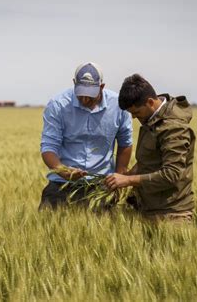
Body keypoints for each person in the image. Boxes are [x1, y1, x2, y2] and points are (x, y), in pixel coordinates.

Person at [39, 62, 133, 209]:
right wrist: (63, 171)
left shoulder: (118, 106)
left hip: (102, 185)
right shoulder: (58, 105)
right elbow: (48, 147)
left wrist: (119, 177)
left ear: (102, 87)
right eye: (81, 93)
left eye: (90, 95)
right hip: (61, 184)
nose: (84, 99)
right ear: (74, 83)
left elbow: (125, 143)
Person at [104, 74, 195, 222]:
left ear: (150, 102)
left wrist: (128, 181)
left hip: (171, 214)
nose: (133, 117)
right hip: (148, 207)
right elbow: (151, 159)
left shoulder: (173, 128)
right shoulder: (152, 119)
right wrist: (126, 176)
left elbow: (172, 174)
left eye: (136, 112)